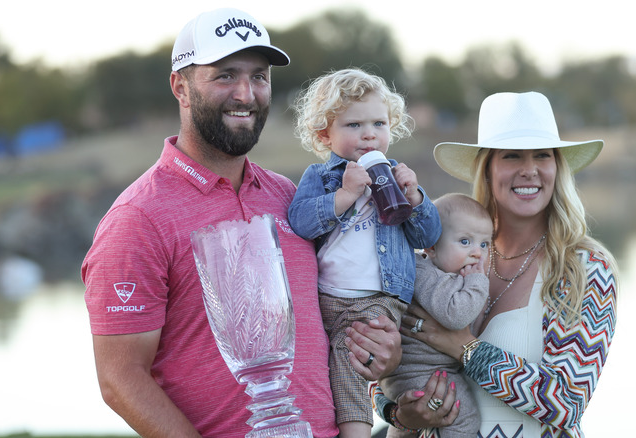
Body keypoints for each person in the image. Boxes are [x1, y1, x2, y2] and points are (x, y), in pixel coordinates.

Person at [81, 8, 400, 438]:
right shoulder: (137, 218)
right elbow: (120, 380)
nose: (246, 94)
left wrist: (383, 352)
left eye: (259, 77)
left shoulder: (290, 198)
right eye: (225, 75)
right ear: (182, 87)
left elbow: (335, 319)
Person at [370, 91, 619, 437]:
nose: (529, 170)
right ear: (487, 169)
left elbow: (567, 401)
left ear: (557, 167)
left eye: (542, 156)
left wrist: (462, 348)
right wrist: (397, 413)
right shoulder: (447, 251)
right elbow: (384, 357)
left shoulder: (584, 268)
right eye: (512, 156)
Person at [288, 68, 442, 437]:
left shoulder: (396, 175)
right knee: (312, 365)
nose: (370, 133)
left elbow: (429, 235)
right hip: (326, 297)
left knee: (350, 362)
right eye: (354, 125)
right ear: (326, 134)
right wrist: (342, 196)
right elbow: (300, 222)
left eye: (379, 123)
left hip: (376, 298)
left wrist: (416, 198)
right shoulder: (321, 177)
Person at [379, 193, 492, 438]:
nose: (477, 253)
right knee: (463, 418)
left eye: (484, 244)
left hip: (422, 374)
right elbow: (456, 316)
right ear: (430, 247)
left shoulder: (446, 274)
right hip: (420, 374)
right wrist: (477, 282)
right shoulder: (424, 272)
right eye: (465, 241)